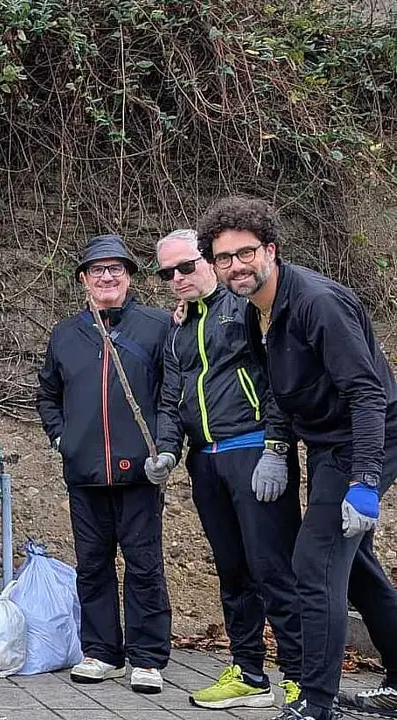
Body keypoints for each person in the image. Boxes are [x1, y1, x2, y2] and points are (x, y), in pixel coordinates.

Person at [200, 196, 397, 720]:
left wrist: (365, 481)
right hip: (324, 438)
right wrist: (277, 445)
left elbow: (368, 393)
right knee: (354, 569)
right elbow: (278, 388)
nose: (236, 265)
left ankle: (314, 701)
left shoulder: (316, 303)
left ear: (271, 250)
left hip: (363, 436)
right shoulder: (249, 312)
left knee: (313, 564)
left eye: (246, 253)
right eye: (224, 258)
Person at [150, 229, 303, 709]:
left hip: (254, 453)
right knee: (233, 571)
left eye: (187, 266)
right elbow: (169, 400)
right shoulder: (176, 329)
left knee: (273, 570)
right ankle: (250, 673)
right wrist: (168, 451)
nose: (178, 278)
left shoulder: (247, 308)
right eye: (167, 272)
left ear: (209, 262)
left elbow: (277, 379)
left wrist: (277, 447)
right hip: (206, 461)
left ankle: (302, 679)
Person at [35, 234, 173, 694]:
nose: (107, 277)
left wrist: (167, 449)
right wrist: (62, 438)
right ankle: (101, 652)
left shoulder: (157, 327)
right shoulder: (65, 334)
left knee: (144, 564)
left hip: (140, 474)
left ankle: (148, 658)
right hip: (85, 474)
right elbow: (47, 394)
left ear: (130, 277)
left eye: (116, 269)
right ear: (84, 280)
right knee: (92, 566)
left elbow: (171, 396)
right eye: (97, 270)